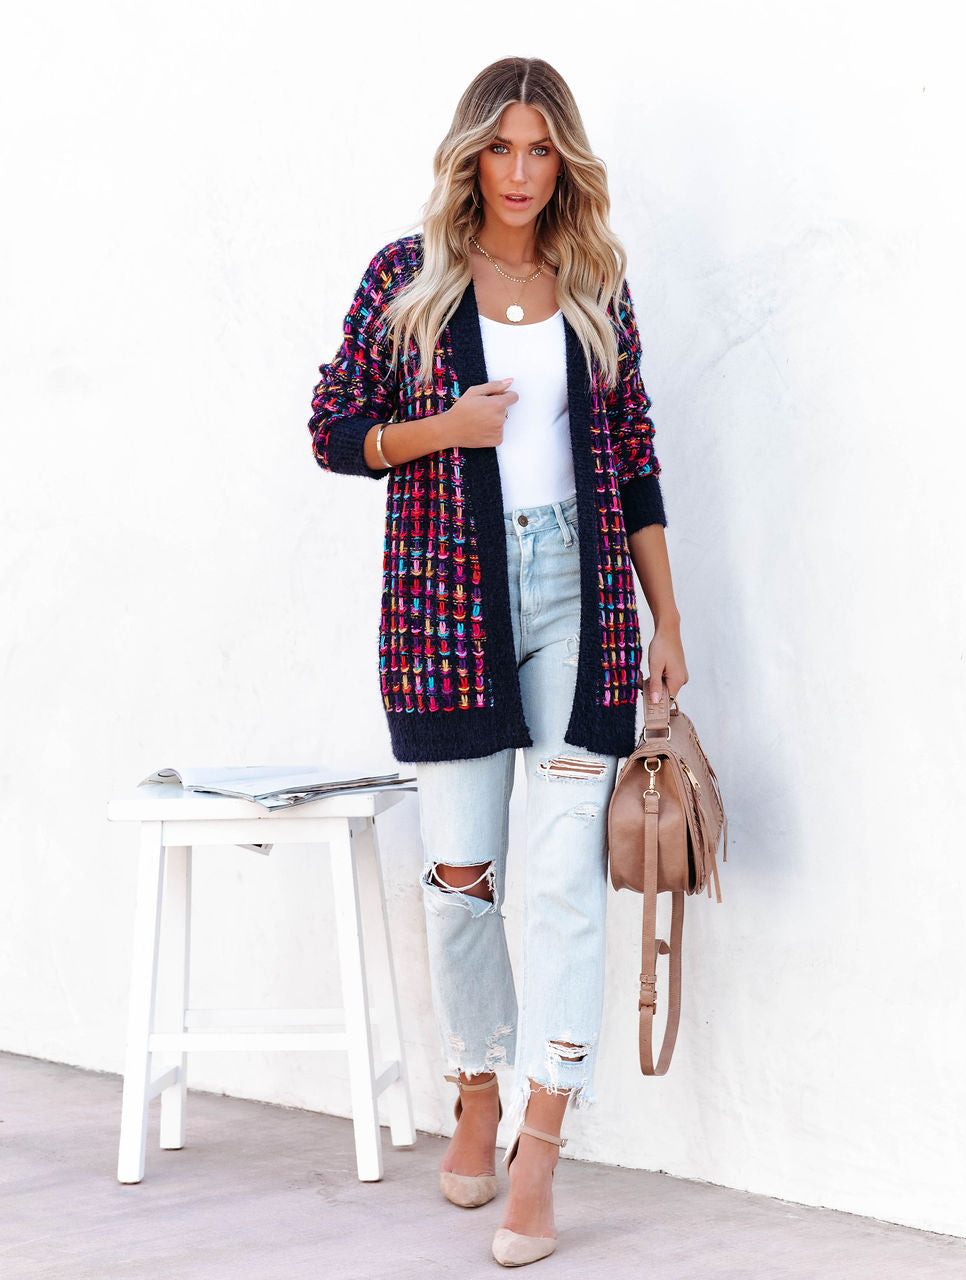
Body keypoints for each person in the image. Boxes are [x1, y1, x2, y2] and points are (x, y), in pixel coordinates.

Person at [307, 55, 688, 1269]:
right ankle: (476, 1084)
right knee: (462, 876)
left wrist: (666, 617)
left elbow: (633, 456)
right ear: (470, 153)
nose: (520, 172)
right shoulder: (405, 278)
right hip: (447, 609)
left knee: (566, 878)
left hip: (583, 596)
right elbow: (332, 430)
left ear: (562, 162)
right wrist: (446, 428)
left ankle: (539, 1144)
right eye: (501, 147)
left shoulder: (594, 282)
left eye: (540, 150)